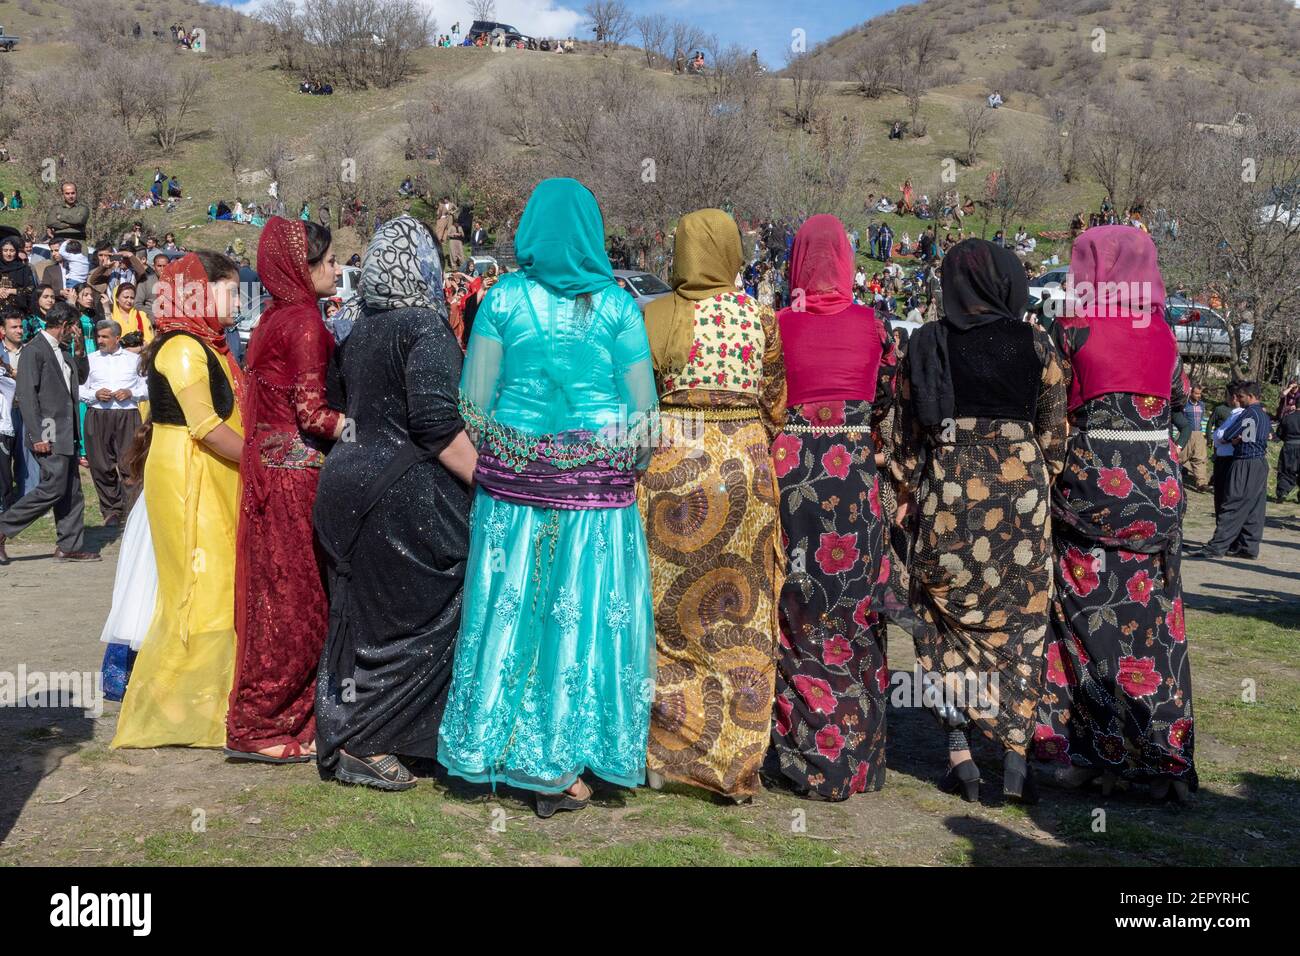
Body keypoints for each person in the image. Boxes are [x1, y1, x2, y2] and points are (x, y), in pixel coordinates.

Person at [437, 178, 658, 819]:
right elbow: (643, 420)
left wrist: (520, 453)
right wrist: (609, 465)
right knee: (580, 619)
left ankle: (497, 747)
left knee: (509, 611)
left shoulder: (503, 299)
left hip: (513, 493)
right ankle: (562, 758)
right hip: (596, 498)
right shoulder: (619, 308)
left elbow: (473, 404)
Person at [894, 238, 1068, 804]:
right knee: (1022, 629)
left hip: (949, 506)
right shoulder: (1037, 345)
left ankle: (961, 757)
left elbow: (904, 439)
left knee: (942, 622)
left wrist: (906, 488)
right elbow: (1055, 439)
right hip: (1022, 509)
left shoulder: (926, 343)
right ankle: (1015, 760)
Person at [315, 216, 477, 790]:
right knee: (423, 621)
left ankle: (384, 734)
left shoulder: (355, 326)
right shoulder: (424, 329)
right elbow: (435, 425)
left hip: (346, 488)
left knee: (371, 627)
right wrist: (488, 483)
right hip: (401, 497)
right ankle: (365, 741)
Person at [1035, 226, 1195, 802]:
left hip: (1092, 495)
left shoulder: (1070, 328)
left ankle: (1096, 757)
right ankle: (1165, 761)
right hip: (1159, 494)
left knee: (1085, 622)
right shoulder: (1164, 332)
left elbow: (1046, 406)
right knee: (1158, 627)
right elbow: (1177, 403)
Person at [639, 209, 785, 801]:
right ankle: (735, 765)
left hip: (672, 474)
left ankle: (669, 756)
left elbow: (637, 400)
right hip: (746, 474)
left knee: (671, 617)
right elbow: (777, 404)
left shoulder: (654, 315)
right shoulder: (761, 318)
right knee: (742, 620)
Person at [765, 214, 902, 800]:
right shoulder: (875, 327)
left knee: (797, 613)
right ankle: (861, 758)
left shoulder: (778, 327)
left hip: (795, 479)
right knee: (857, 612)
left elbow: (767, 402)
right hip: (854, 482)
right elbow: (892, 412)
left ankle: (808, 757)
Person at [112, 252, 246, 749]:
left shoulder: (208, 344)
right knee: (198, 586)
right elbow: (207, 427)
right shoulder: (185, 348)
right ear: (200, 292)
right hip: (190, 475)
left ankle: (209, 701)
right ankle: (177, 710)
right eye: (230, 289)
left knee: (216, 584)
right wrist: (262, 461)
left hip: (210, 471)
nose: (239, 299)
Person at [226, 218, 345, 763]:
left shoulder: (274, 317)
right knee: (298, 604)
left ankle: (269, 718)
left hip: (273, 473)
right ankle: (262, 726)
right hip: (296, 479)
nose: (338, 270)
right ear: (303, 267)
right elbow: (313, 414)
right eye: (328, 261)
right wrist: (371, 428)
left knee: (275, 597)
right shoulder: (301, 322)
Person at [0, 303, 96, 565]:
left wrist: (79, 349)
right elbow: (27, 397)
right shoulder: (35, 350)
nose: (75, 331)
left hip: (67, 431)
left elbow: (82, 377)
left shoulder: (63, 351)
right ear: (63, 325)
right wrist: (40, 436)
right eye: (73, 326)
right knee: (53, 487)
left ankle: (68, 546)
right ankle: (3, 527)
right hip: (49, 431)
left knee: (72, 490)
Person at [1189, 380, 1270, 560]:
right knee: (1255, 506)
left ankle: (1216, 547)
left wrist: (1234, 437)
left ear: (1251, 396)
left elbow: (1228, 435)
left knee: (1232, 502)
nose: (1238, 400)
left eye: (1241, 396)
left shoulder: (1248, 414)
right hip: (1260, 462)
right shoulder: (1264, 414)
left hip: (1245, 461)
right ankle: (1248, 546)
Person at [79, 319, 147, 525]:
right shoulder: (89, 360)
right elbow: (77, 387)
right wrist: (94, 394)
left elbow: (147, 388)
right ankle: (111, 511)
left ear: (117, 338)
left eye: (104, 337)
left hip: (127, 415)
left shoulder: (133, 360)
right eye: (98, 336)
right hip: (98, 415)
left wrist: (131, 392)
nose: (99, 340)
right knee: (101, 465)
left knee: (130, 464)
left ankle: (132, 511)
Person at [1181, 383, 1210, 491]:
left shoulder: (1202, 405)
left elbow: (1202, 418)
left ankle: (1201, 483)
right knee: (1181, 456)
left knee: (1200, 458)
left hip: (1198, 433)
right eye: (1196, 393)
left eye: (1200, 394)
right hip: (1187, 433)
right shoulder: (1184, 404)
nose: (1198, 396)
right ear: (1191, 393)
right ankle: (1172, 473)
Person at [1275, 396, 1300, 503]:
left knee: (1285, 470)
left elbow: (1279, 434)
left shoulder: (1287, 417)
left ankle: (1282, 493)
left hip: (1289, 446)